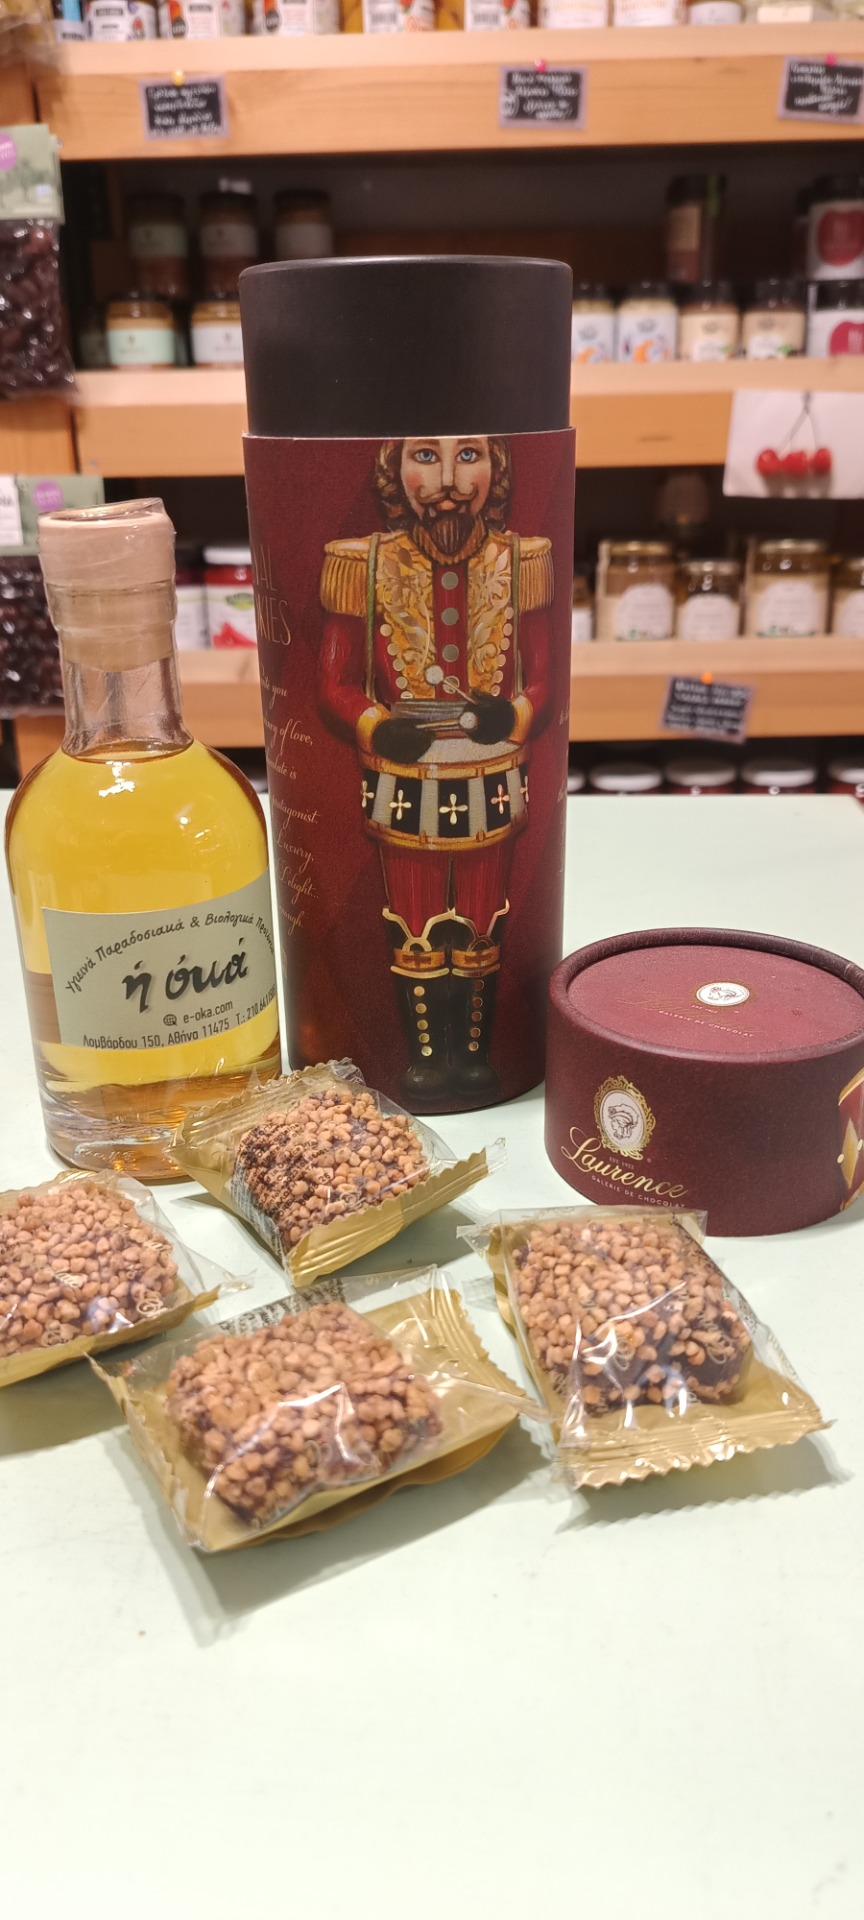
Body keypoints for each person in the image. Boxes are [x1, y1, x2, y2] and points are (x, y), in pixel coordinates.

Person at [318, 432, 553, 1107]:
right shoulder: (362, 563)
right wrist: (376, 723)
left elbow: (545, 680)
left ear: (496, 467)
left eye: (468, 455)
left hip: (491, 776)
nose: (449, 479)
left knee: (481, 921)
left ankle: (472, 1059)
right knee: (414, 922)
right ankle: (426, 1060)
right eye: (426, 456)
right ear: (393, 471)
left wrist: (511, 714)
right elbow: (335, 685)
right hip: (405, 779)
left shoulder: (522, 560)